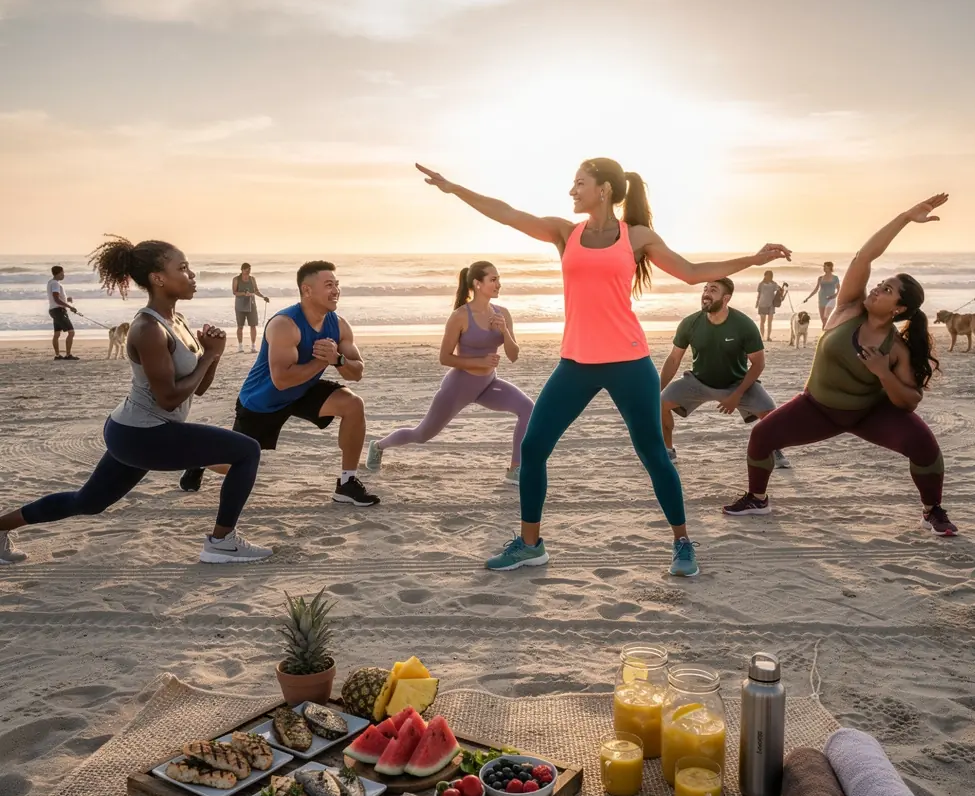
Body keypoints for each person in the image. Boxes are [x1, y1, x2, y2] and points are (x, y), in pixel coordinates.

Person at [415, 158, 791, 577]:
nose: (572, 191)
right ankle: (530, 544)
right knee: (534, 447)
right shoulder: (565, 232)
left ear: (605, 189)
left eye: (580, 183)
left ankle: (683, 542)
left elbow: (691, 273)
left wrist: (752, 260)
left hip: (629, 363)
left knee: (653, 454)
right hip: (576, 363)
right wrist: (455, 188)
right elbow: (507, 214)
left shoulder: (637, 236)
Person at [0, 237, 271, 566]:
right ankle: (222, 542)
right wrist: (208, 356)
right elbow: (169, 399)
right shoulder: (147, 329)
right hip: (143, 434)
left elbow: (195, 390)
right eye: (182, 268)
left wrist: (213, 357)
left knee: (88, 501)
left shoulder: (179, 321)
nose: (192, 274)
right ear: (158, 278)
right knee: (246, 451)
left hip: (136, 430)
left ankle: (0, 527)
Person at [723, 194, 958, 537]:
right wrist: (905, 217)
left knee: (925, 446)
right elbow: (865, 256)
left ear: (898, 309)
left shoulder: (898, 349)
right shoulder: (848, 308)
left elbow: (909, 400)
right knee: (761, 435)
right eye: (880, 284)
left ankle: (932, 510)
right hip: (816, 407)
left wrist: (882, 373)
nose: (877, 288)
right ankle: (758, 499)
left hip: (869, 414)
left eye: (887, 289)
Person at [179, 260, 379, 506]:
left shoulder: (338, 324)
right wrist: (323, 361)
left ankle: (347, 483)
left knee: (353, 405)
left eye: (337, 284)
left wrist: (337, 359)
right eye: (329, 285)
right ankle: (199, 459)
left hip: (303, 390)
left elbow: (357, 372)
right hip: (264, 399)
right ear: (307, 290)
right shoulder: (285, 324)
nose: (336, 290)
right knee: (231, 464)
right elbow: (282, 381)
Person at [366, 261, 534, 483]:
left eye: (499, 279)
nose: (498, 284)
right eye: (493, 279)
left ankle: (515, 469)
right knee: (422, 434)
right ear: (477, 283)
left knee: (528, 408)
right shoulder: (460, 317)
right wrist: (480, 361)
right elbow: (445, 358)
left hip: (487, 385)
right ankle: (378, 446)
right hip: (458, 387)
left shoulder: (502, 314)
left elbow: (513, 355)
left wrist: (504, 331)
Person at [660, 278, 791, 469]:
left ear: (726, 298)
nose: (706, 293)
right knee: (660, 403)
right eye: (705, 289)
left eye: (713, 290)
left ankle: (774, 449)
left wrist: (737, 395)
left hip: (737, 383)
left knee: (771, 413)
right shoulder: (690, 323)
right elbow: (673, 359)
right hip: (698, 382)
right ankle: (668, 450)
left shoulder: (743, 324)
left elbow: (758, 363)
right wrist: (658, 389)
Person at [234, 262, 269, 354]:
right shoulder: (236, 279)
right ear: (242, 269)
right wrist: (244, 294)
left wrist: (263, 297)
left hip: (251, 304)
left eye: (250, 269)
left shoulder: (252, 279)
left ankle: (253, 346)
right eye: (247, 269)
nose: (249, 271)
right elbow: (235, 292)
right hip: (240, 304)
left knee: (253, 325)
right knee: (240, 326)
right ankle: (240, 346)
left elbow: (256, 291)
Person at [47, 265, 79, 361]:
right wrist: (70, 307)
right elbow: (56, 299)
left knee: (57, 333)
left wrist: (66, 299)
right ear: (58, 273)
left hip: (53, 310)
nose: (63, 275)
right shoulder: (56, 284)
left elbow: (56, 297)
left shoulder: (51, 282)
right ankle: (68, 355)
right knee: (71, 332)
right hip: (58, 310)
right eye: (62, 273)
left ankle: (57, 355)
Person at [804, 261, 841, 327]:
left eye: (825, 266)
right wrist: (808, 298)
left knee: (827, 318)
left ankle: (828, 333)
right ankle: (824, 335)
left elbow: (839, 289)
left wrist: (835, 295)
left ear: (830, 267)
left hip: (831, 299)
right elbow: (816, 289)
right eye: (823, 266)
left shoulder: (835, 278)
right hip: (821, 298)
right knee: (823, 320)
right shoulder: (820, 278)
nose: (823, 268)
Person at [755, 269, 782, 341]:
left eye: (771, 276)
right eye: (768, 276)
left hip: (771, 305)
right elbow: (759, 294)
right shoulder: (761, 284)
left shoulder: (774, 284)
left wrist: (781, 290)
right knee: (762, 321)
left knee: (769, 322)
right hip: (762, 304)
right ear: (765, 276)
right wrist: (757, 303)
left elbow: (779, 291)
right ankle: (762, 336)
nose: (769, 277)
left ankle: (768, 337)